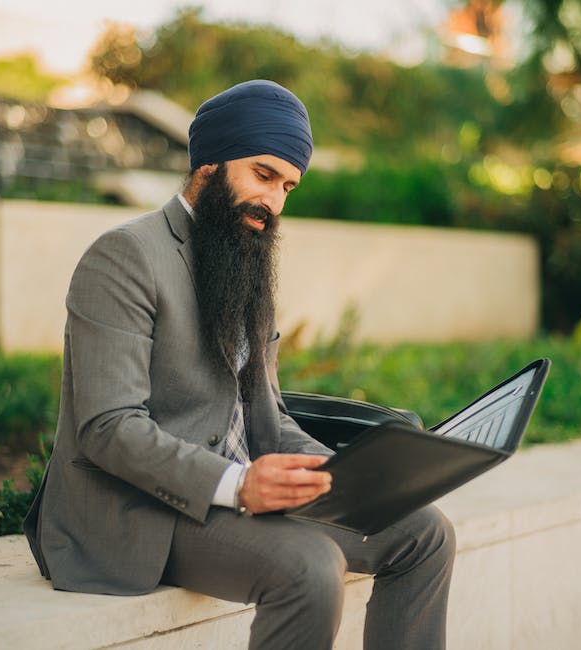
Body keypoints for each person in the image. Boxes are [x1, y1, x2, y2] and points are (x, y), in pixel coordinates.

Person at [24, 79, 456, 649]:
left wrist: (358, 479)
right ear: (208, 166)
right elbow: (108, 428)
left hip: (238, 491)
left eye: (288, 187)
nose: (274, 202)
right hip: (139, 509)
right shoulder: (124, 255)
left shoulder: (245, 261)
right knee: (311, 565)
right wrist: (237, 484)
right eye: (263, 174)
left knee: (426, 532)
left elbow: (269, 421)